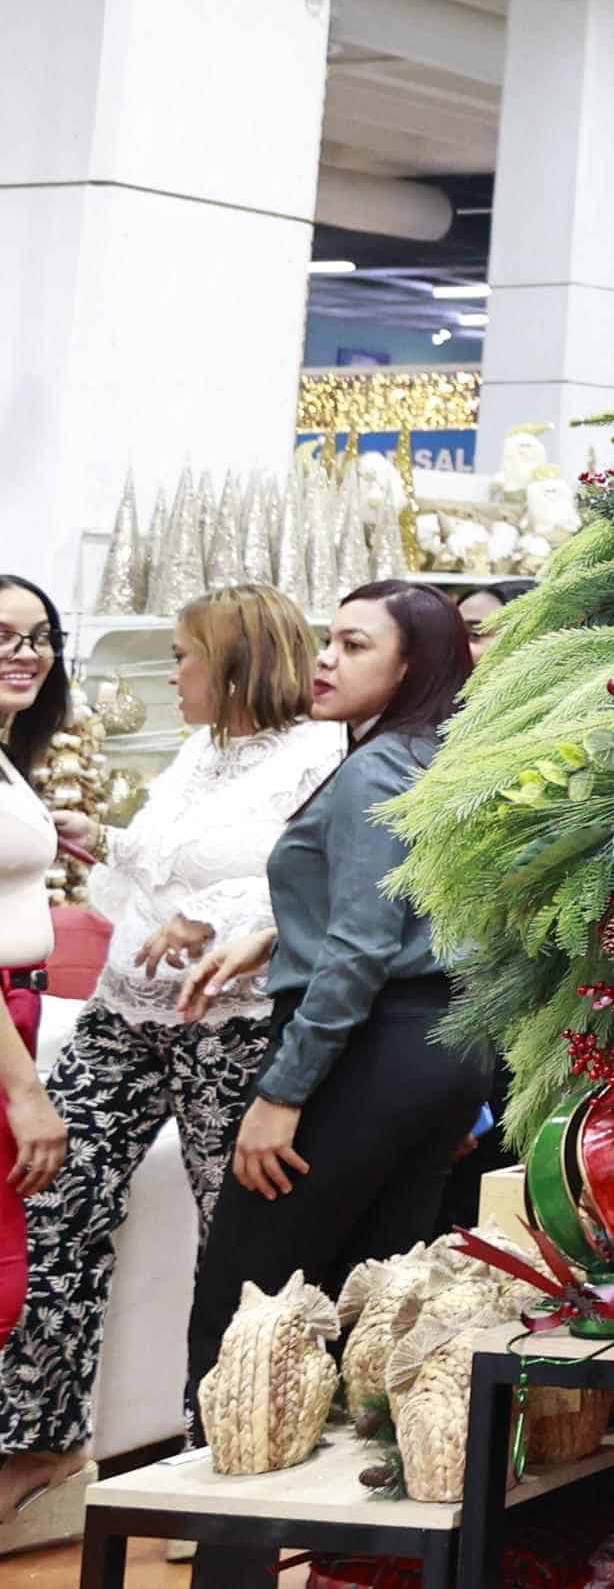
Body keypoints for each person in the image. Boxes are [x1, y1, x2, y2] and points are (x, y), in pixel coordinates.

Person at [0, 587, 340, 1502]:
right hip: (127, 1009)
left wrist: (215, 920)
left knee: (228, 1236)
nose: (171, 672)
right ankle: (36, 1439)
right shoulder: (199, 750)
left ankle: (224, 1451)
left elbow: (315, 893)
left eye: (185, 655)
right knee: (53, 1192)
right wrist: (99, 840)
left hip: (230, 1023)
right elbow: (164, 864)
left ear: (234, 665)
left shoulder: (323, 755)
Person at [177, 582, 490, 1418]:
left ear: (411, 666)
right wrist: (281, 933)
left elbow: (360, 949)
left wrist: (281, 1094)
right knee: (374, 1311)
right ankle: (350, 1546)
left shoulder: (377, 769)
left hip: (364, 1053)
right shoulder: (446, 764)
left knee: (246, 1317)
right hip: (442, 1049)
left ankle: (223, 1534)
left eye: (354, 647)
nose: (324, 660)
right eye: (327, 641)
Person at [0, 582, 93, 1351]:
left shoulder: (10, 756)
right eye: (1, 634)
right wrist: (26, 1094)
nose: (24, 654)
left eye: (38, 637)